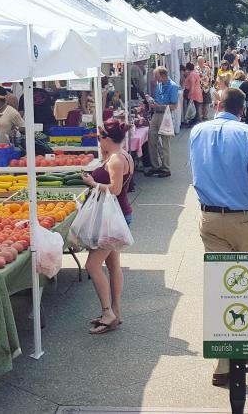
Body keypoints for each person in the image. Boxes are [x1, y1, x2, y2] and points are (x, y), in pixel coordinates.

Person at [188, 88, 248, 386]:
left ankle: (222, 364)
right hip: (245, 216)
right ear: (243, 109)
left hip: (210, 217)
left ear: (217, 104)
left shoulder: (197, 132)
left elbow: (196, 172)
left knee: (220, 286)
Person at [80, 119, 135, 335]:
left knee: (92, 266)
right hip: (118, 215)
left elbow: (115, 189)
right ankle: (116, 312)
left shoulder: (115, 160)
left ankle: (107, 312)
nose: (97, 141)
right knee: (113, 265)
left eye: (99, 138)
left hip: (113, 218)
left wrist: (93, 183)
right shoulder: (122, 155)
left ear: (106, 139)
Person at [146, 67, 179, 177]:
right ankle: (155, 166)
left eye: (156, 76)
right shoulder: (159, 85)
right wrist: (151, 101)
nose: (155, 78)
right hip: (156, 114)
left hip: (166, 116)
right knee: (151, 139)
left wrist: (159, 105)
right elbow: (157, 100)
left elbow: (174, 106)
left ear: (163, 75)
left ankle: (166, 168)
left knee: (165, 143)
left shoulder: (173, 86)